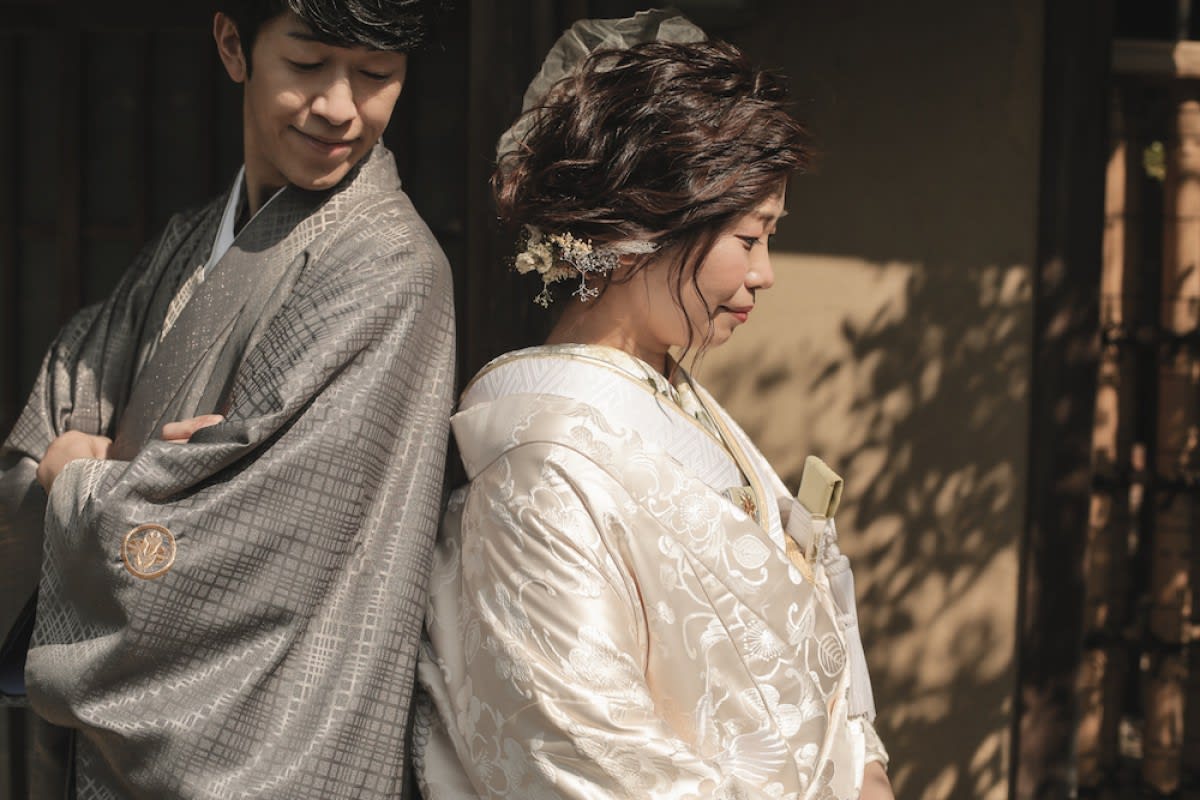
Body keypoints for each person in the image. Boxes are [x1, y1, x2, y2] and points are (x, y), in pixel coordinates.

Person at [413, 12, 893, 800]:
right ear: (643, 228)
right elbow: (588, 753)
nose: (766, 273)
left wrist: (864, 763)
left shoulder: (672, 395)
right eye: (749, 238)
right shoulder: (541, 467)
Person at [0, 0, 455, 796]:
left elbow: (258, 533)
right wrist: (149, 476)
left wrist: (79, 479)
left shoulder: (390, 268)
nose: (340, 106)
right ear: (233, 45)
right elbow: (66, 394)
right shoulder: (188, 240)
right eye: (307, 65)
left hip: (273, 747)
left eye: (376, 74)